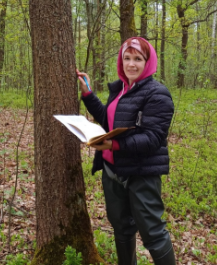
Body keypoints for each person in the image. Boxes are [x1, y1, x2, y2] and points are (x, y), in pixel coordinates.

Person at [77, 37, 176, 265]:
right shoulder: (121, 89)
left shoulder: (157, 94)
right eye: (127, 58)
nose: (131, 64)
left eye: (138, 59)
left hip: (141, 174)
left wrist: (114, 145)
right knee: (121, 227)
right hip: (112, 171)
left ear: (148, 62)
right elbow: (108, 120)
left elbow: (152, 139)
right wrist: (88, 94)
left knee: (152, 231)